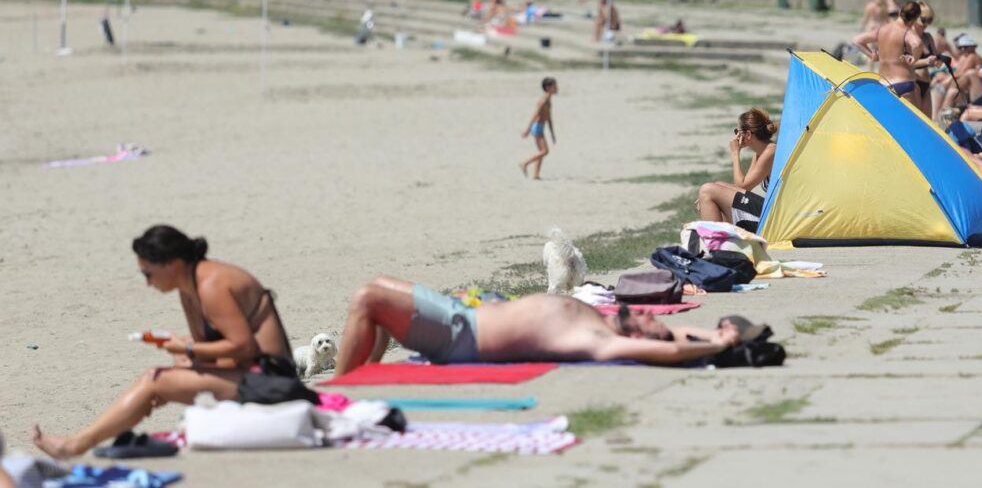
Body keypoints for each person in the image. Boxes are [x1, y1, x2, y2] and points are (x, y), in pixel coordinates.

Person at [33, 226, 294, 459]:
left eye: (149, 274)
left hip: (273, 381)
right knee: (165, 376)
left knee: (154, 378)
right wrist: (187, 363)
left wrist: (187, 350)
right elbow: (214, 354)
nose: (148, 283)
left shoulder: (211, 284)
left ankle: (74, 446)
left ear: (172, 265)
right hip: (248, 375)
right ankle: (78, 442)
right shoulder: (188, 289)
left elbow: (243, 346)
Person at [333, 281, 744, 375]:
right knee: (377, 308)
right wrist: (716, 334)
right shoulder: (604, 320)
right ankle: (358, 379)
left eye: (651, 322)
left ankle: (336, 390)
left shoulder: (599, 340)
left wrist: (715, 346)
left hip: (461, 333)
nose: (653, 315)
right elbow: (676, 337)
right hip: (463, 315)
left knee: (369, 298)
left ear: (636, 337)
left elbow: (670, 350)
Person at [695, 109, 777, 230]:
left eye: (737, 131)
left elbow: (742, 186)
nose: (735, 136)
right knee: (717, 186)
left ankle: (718, 242)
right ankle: (721, 240)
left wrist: (735, 153)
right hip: (773, 210)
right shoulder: (762, 152)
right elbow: (745, 187)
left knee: (707, 190)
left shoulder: (770, 152)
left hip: (776, 218)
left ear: (748, 134)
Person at [520, 77, 558, 180]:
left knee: (541, 151)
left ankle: (536, 175)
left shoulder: (549, 100)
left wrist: (552, 133)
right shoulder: (544, 100)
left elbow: (549, 118)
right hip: (537, 127)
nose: (557, 88)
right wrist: (527, 129)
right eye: (555, 86)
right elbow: (535, 114)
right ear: (548, 87)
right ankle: (524, 163)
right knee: (545, 151)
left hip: (541, 127)